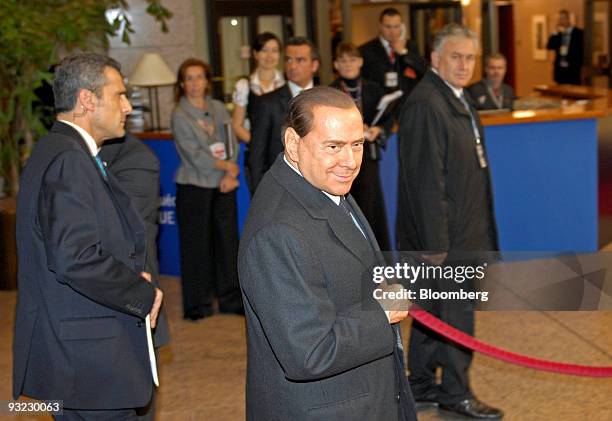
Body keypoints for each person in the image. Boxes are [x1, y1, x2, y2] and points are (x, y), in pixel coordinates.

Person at [238, 86, 416, 420]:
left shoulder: (320, 183)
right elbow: (309, 351)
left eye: (357, 145)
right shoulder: (279, 231)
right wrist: (382, 312)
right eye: (333, 146)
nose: (349, 162)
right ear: (293, 144)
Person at [13, 52, 163, 419]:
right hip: (86, 361)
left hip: (77, 357)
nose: (128, 106)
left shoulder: (61, 150)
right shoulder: (69, 159)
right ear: (86, 100)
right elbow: (74, 257)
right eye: (119, 95)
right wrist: (141, 293)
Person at [397, 24, 503, 419]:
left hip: (460, 231)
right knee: (455, 315)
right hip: (444, 242)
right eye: (455, 56)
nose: (464, 64)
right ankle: (456, 393)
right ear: (436, 59)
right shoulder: (428, 103)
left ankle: (422, 386)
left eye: (470, 57)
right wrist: (437, 248)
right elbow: (427, 183)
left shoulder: (456, 97)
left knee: (432, 314)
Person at [100, 133, 170, 420]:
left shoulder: (136, 159)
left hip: (127, 305)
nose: (128, 107)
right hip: (76, 319)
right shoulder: (63, 153)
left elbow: (118, 238)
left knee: (134, 405)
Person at [171, 58, 243, 320]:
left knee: (227, 245)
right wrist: (227, 167)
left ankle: (230, 300)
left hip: (224, 184)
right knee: (196, 248)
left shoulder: (217, 108)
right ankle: (198, 305)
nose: (194, 83)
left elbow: (230, 140)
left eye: (199, 77)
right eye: (188, 78)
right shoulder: (179, 115)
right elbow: (194, 155)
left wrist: (230, 170)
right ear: (182, 84)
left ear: (207, 81)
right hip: (195, 187)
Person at [330, 42, 392, 250]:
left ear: (361, 62)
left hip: (368, 157)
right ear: (336, 64)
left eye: (352, 59)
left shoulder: (373, 88)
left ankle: (380, 266)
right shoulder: (329, 91)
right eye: (343, 60)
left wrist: (379, 130)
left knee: (372, 210)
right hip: (340, 159)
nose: (348, 64)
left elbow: (388, 117)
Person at [247, 36, 319, 193]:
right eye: (288, 59)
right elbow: (256, 157)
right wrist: (262, 197)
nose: (292, 66)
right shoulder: (266, 103)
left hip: (322, 190)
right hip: (281, 191)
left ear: (314, 65)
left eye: (300, 60)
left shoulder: (327, 100)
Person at [359, 7, 427, 97]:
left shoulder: (411, 46)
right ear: (380, 26)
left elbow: (423, 71)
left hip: (408, 101)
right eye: (388, 27)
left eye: (396, 26)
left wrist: (403, 52)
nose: (393, 31)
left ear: (402, 27)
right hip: (379, 102)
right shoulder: (365, 50)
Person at [231, 32, 285, 143]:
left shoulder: (287, 82)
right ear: (255, 54)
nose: (269, 56)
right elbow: (237, 125)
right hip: (257, 151)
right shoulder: (244, 85)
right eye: (264, 50)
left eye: (274, 51)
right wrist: (257, 144)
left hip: (285, 150)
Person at [546, 9, 584, 85]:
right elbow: (549, 46)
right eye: (559, 19)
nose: (561, 21)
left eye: (563, 18)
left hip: (573, 70)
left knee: (573, 93)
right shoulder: (558, 34)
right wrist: (555, 31)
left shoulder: (578, 33)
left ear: (568, 19)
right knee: (560, 93)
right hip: (560, 70)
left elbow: (582, 51)